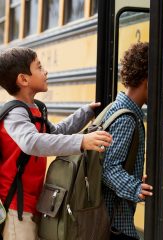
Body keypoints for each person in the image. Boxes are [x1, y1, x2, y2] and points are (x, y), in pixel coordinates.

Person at [0, 47, 112, 240]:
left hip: (33, 203)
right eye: (39, 67)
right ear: (23, 79)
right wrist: (82, 141)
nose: (46, 71)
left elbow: (56, 132)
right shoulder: (14, 114)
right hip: (16, 207)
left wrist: (85, 113)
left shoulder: (35, 109)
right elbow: (32, 143)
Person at [102, 42, 153, 240]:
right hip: (116, 224)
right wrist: (136, 188)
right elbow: (109, 168)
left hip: (113, 220)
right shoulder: (127, 118)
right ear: (148, 82)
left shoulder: (114, 109)